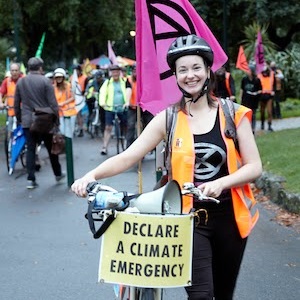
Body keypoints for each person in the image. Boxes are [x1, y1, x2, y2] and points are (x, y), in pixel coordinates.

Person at [71, 34, 262, 300]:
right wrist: (91, 174)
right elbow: (128, 156)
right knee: (201, 296)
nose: (190, 75)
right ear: (175, 75)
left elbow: (254, 167)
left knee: (223, 294)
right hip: (188, 220)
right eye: (182, 70)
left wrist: (221, 183)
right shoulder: (168, 119)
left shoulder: (233, 114)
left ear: (208, 70)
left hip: (231, 219)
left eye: (196, 67)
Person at [14, 57, 65, 189]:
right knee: (51, 147)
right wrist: (57, 120)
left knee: (31, 149)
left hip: (27, 120)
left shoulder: (21, 82)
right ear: (40, 67)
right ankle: (58, 173)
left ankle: (31, 179)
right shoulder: (45, 81)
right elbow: (53, 103)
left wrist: (20, 119)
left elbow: (16, 103)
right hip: (44, 120)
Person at [99, 65, 131, 155]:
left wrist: (126, 103)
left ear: (119, 72)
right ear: (111, 73)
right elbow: (102, 93)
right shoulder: (108, 82)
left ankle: (126, 143)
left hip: (122, 107)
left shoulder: (124, 81)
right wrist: (103, 103)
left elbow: (129, 91)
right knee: (108, 127)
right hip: (110, 108)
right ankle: (104, 147)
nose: (115, 74)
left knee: (125, 126)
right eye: (113, 72)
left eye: (117, 72)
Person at [53, 67, 77, 136]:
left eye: (60, 77)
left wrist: (63, 103)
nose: (59, 79)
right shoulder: (53, 87)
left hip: (70, 111)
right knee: (62, 131)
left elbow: (73, 97)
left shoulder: (68, 85)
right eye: (57, 77)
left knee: (69, 132)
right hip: (59, 112)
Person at [0, 63, 24, 131]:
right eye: (12, 70)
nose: (14, 72)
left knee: (22, 128)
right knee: (9, 129)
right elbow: (1, 93)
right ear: (10, 71)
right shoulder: (7, 81)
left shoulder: (23, 80)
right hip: (10, 110)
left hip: (21, 110)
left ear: (19, 71)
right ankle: (9, 139)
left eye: (16, 70)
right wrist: (1, 103)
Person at [240, 64, 262, 133]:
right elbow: (242, 89)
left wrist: (256, 93)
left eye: (249, 70)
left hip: (254, 100)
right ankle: (246, 128)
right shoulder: (244, 79)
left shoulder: (257, 80)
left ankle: (253, 128)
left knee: (253, 114)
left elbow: (260, 89)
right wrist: (240, 97)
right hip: (246, 99)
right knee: (245, 115)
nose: (247, 71)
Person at [85, 70, 106, 135]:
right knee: (90, 111)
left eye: (99, 78)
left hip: (103, 99)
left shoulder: (106, 82)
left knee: (103, 114)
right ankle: (88, 125)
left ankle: (103, 128)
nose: (98, 79)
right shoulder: (93, 81)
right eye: (97, 78)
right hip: (94, 98)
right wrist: (87, 92)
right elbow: (88, 87)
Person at [70, 64, 88, 137]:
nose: (75, 72)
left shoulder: (85, 78)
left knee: (79, 114)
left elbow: (87, 87)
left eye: (76, 70)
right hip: (73, 98)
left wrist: (86, 93)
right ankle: (73, 128)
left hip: (81, 98)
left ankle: (81, 129)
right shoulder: (71, 78)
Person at [257, 63, 275, 131]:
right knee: (262, 112)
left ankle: (269, 125)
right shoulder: (259, 75)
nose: (264, 73)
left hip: (269, 95)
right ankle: (262, 124)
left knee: (269, 111)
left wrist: (273, 91)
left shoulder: (271, 74)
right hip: (261, 95)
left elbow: (274, 83)